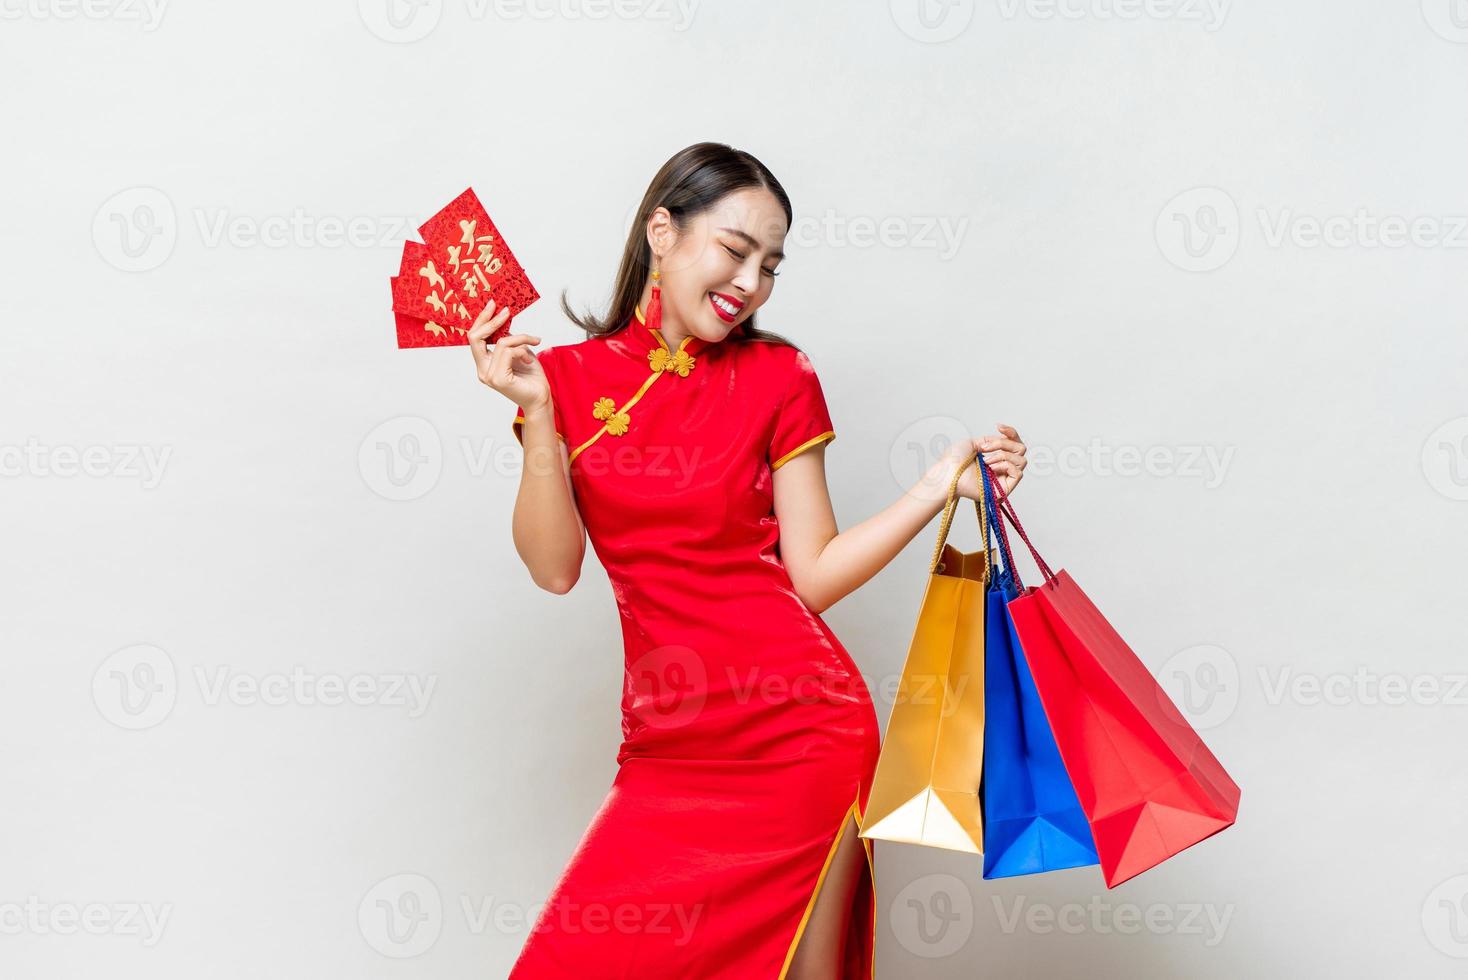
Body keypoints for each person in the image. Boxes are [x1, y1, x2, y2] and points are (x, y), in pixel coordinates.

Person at [469, 142, 1028, 979]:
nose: (751, 283)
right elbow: (555, 568)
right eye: (735, 250)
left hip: (803, 733)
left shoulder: (779, 376)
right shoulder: (561, 381)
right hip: (666, 749)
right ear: (663, 231)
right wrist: (538, 416)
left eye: (770, 265)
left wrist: (939, 487)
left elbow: (812, 576)